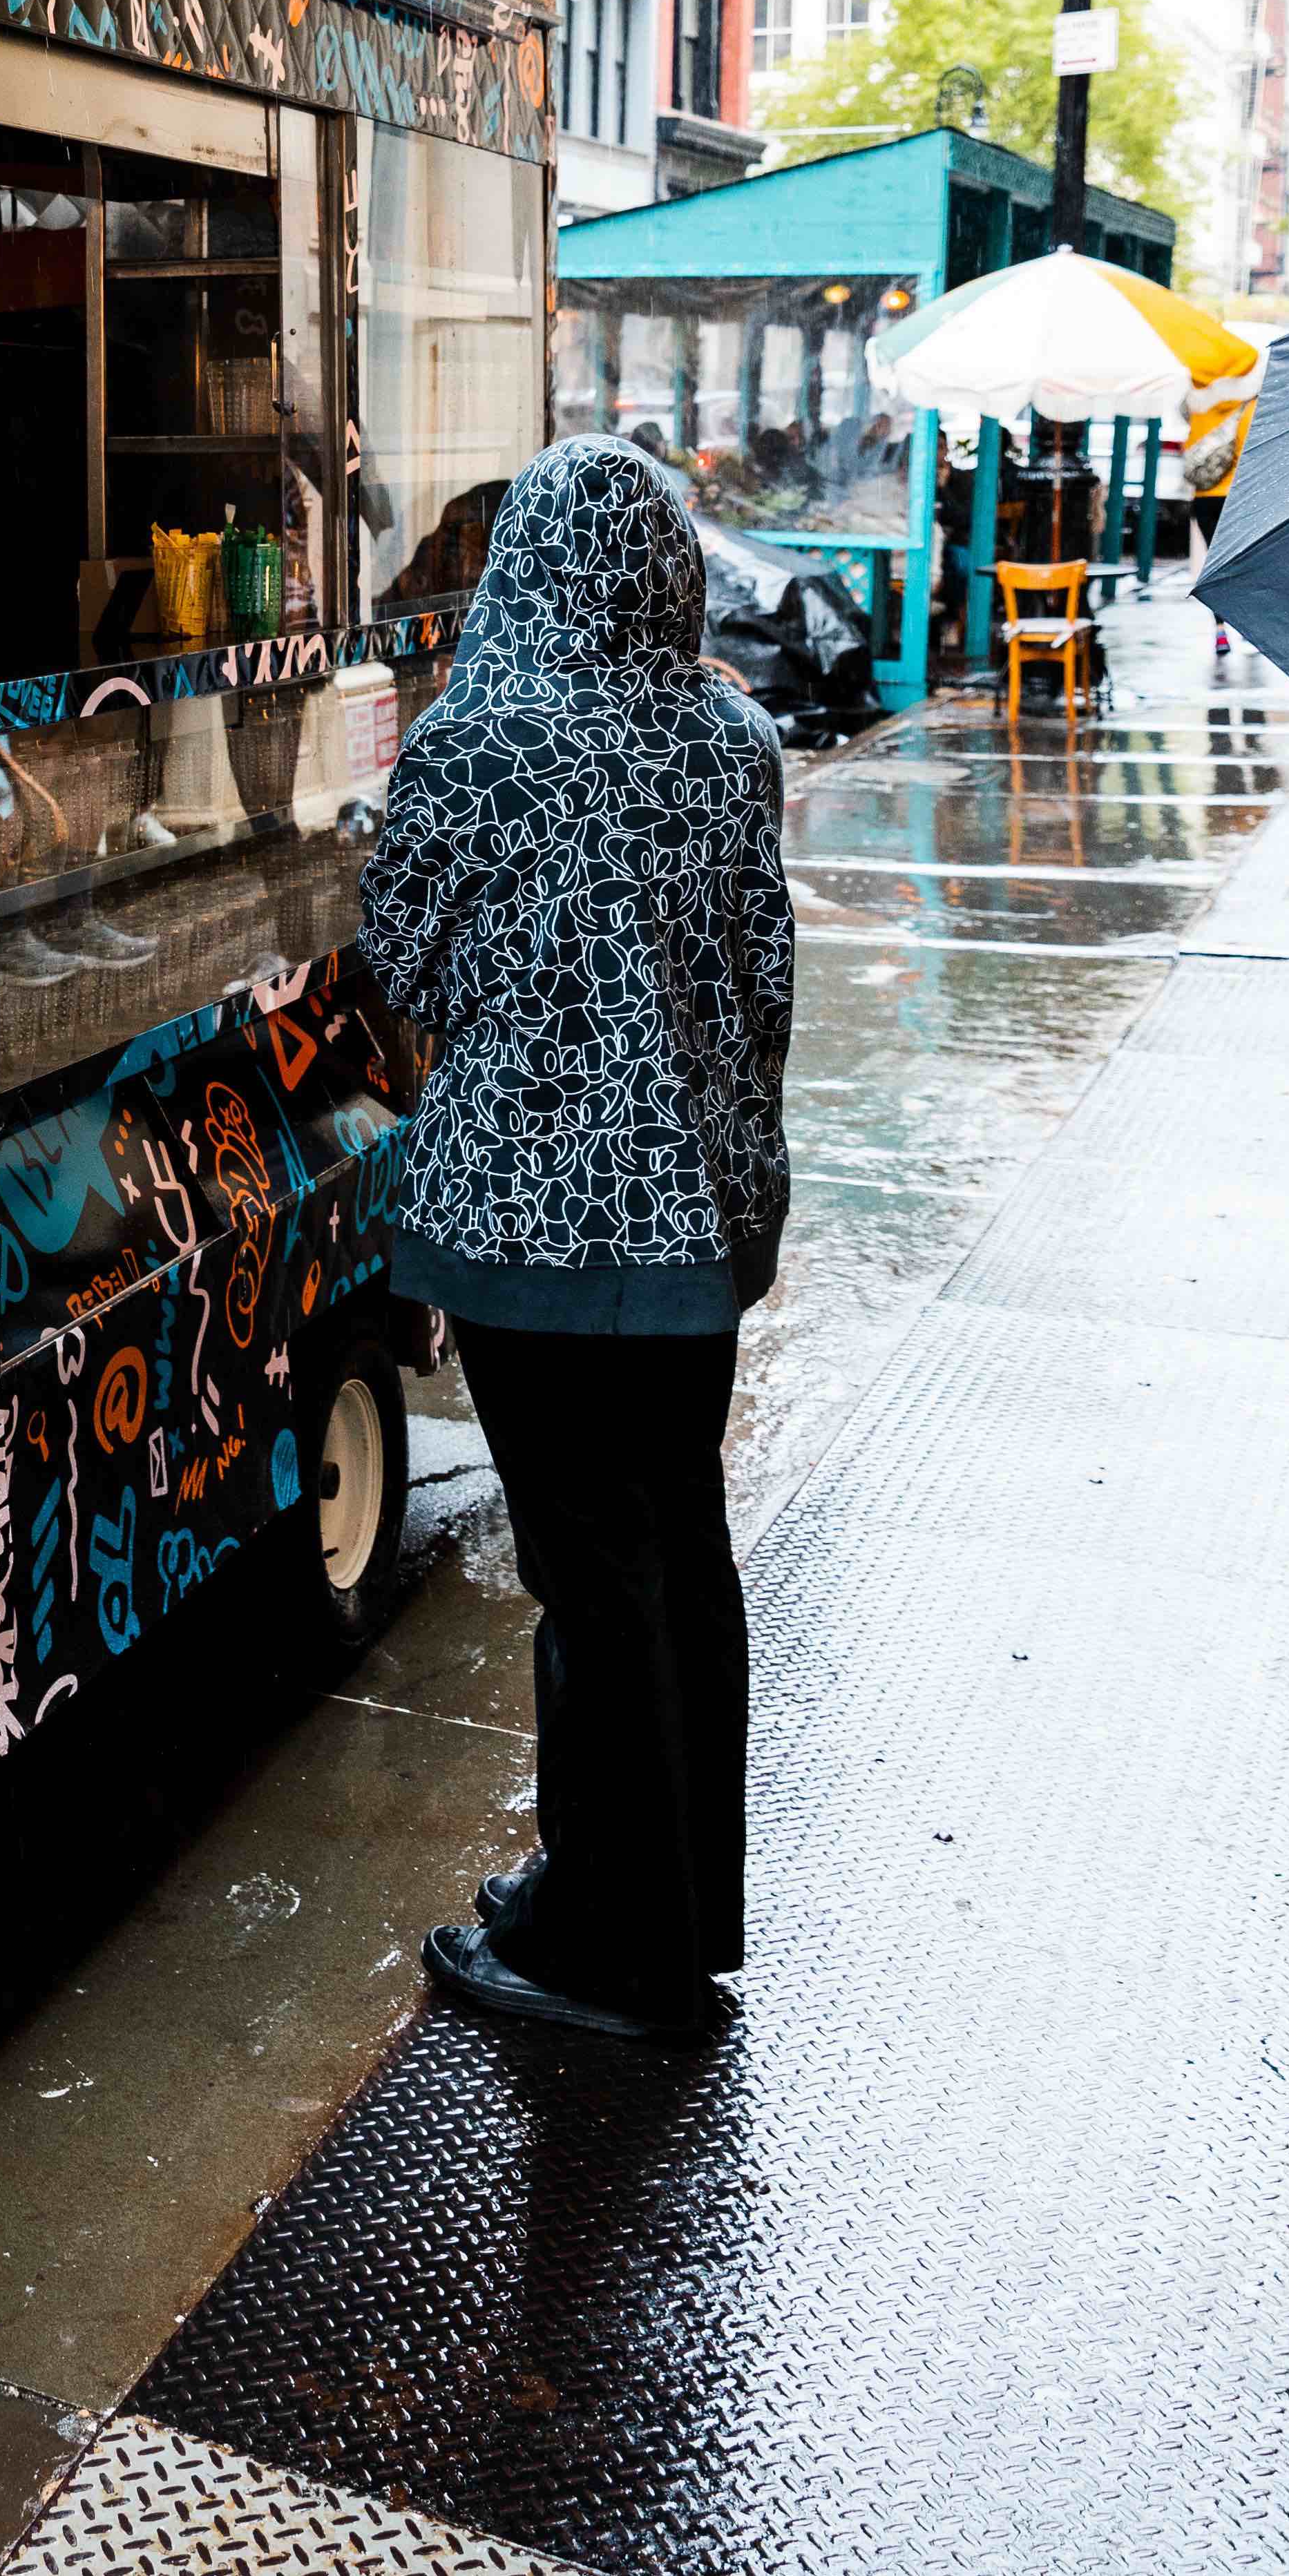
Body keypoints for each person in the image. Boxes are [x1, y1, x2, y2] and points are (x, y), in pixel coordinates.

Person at [358, 434, 793, 2045]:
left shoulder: (478, 738)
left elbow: (399, 958)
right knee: (673, 1551)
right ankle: (652, 1905)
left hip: (524, 1240)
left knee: (586, 1580)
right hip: (695, 1230)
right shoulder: (732, 736)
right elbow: (762, 974)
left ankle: (612, 1957)